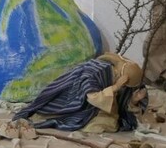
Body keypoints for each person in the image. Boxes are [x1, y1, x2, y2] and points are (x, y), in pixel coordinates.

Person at [13, 53, 146, 133]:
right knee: (105, 124)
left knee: (111, 121)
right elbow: (93, 97)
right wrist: (115, 87)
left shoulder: (113, 75)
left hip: (98, 102)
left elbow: (121, 97)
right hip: (73, 99)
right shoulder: (96, 73)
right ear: (122, 79)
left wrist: (133, 100)